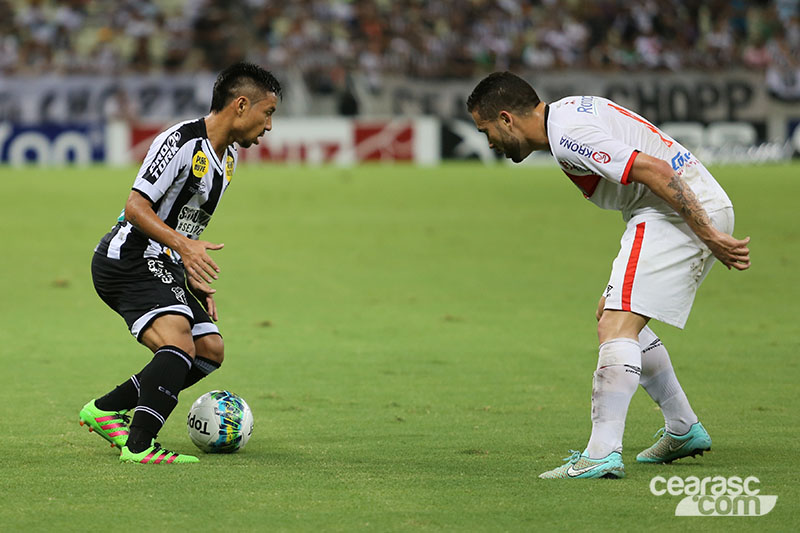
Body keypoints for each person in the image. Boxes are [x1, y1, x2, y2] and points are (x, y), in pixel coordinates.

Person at [467, 72, 751, 479]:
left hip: (675, 213)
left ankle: (601, 453)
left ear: (506, 119)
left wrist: (709, 234)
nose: (490, 143)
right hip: (677, 207)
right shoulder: (565, 114)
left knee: (617, 325)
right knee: (611, 315)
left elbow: (654, 169)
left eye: (487, 131)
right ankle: (683, 427)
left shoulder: (569, 135)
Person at [79, 62, 281, 464]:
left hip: (163, 260)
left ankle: (105, 409)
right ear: (242, 105)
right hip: (129, 257)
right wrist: (185, 249)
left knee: (209, 349)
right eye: (268, 113)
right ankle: (139, 445)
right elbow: (135, 207)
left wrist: (189, 268)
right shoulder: (181, 141)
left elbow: (185, 221)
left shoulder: (228, 158)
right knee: (178, 343)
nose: (269, 126)